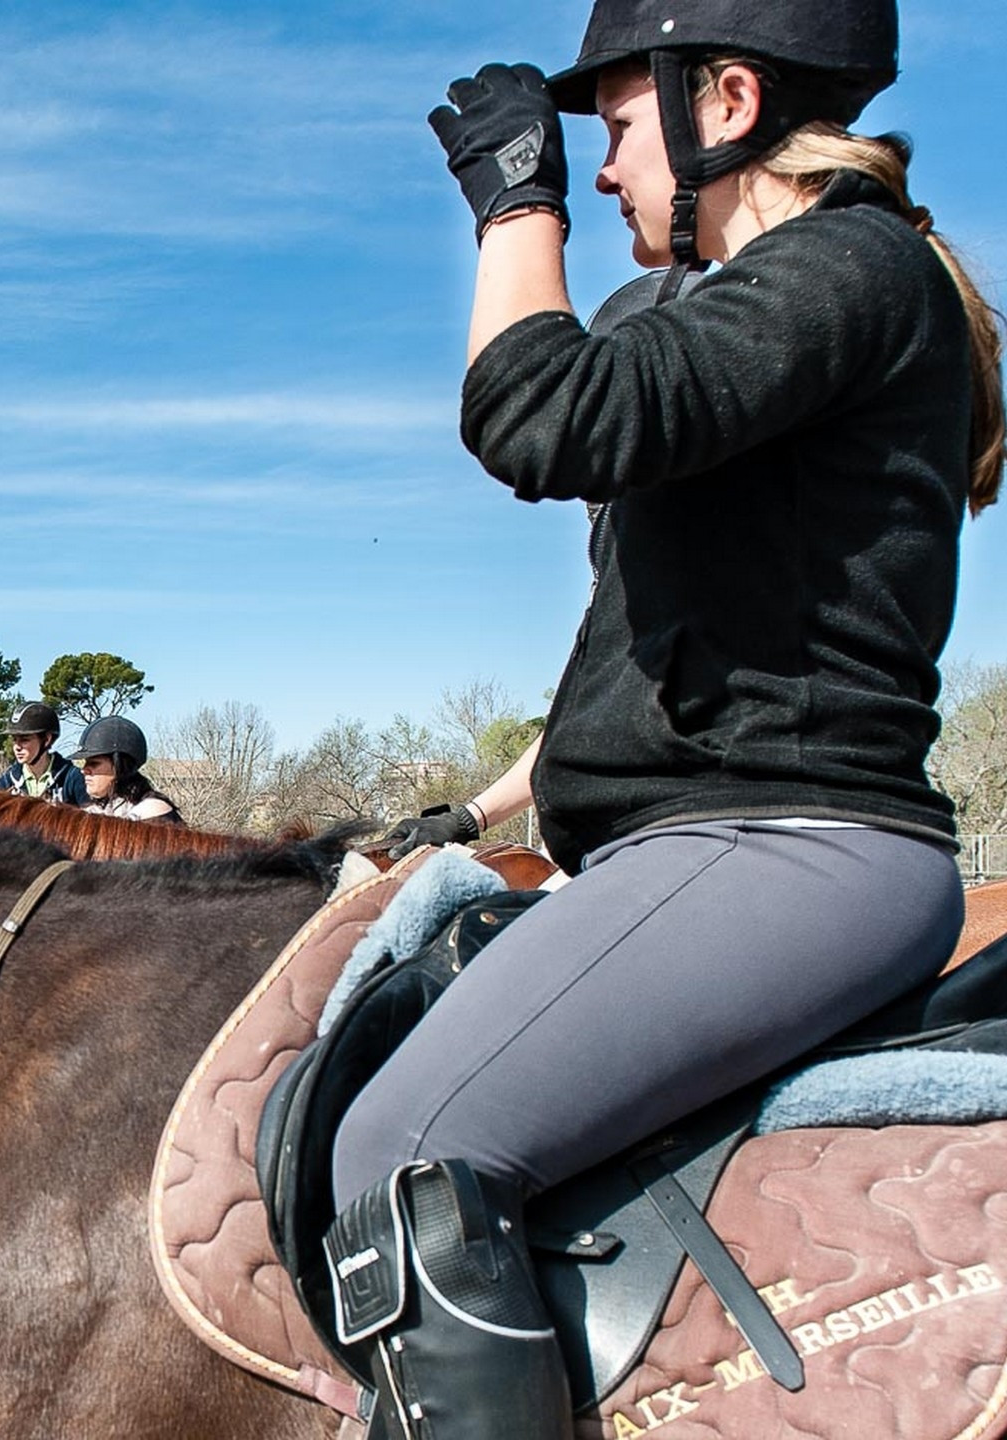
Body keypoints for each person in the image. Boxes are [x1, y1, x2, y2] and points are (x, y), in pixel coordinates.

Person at [314, 2, 1001, 1434]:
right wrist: (493, 806)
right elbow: (641, 645)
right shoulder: (745, 308)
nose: (606, 165)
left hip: (788, 849)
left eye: (619, 126)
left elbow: (541, 420)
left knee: (403, 1149)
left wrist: (515, 207)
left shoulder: (851, 267)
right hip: (692, 848)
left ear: (729, 100)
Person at [72, 716, 183, 824]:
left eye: (94, 763)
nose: (84, 770)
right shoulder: (95, 811)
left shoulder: (153, 814)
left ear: (120, 766)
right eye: (85, 763)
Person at [0, 701, 88, 805]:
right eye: (14, 740)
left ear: (47, 739)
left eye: (25, 740)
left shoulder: (72, 778)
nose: (17, 747)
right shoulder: (6, 781)